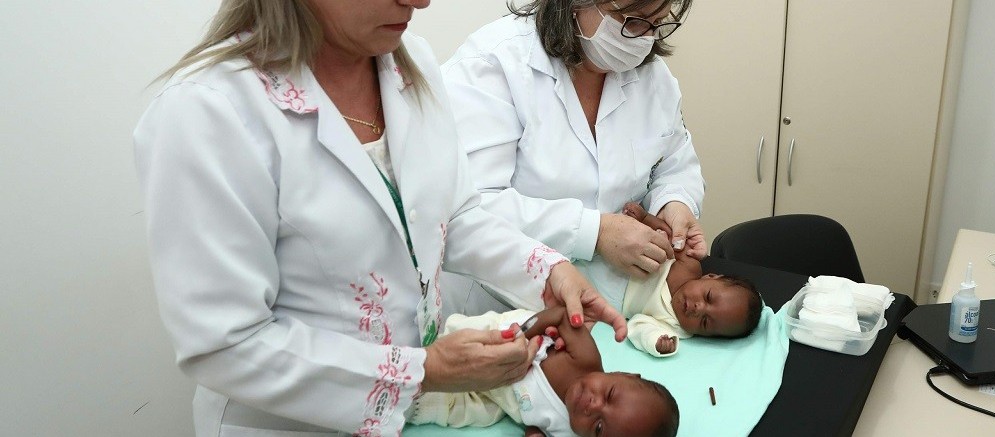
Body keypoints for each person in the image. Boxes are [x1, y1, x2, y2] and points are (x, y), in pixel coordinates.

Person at [133, 1, 628, 435]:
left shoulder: (410, 67)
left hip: (414, 415)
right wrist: (422, 370)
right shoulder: (207, 114)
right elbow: (224, 345)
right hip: (287, 424)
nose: (421, 1)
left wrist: (547, 270)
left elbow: (449, 218)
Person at [439, 0, 705, 314]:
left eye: (657, 23)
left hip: (610, 312)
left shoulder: (653, 77)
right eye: (631, 21)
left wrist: (674, 203)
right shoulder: (493, 64)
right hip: (499, 307)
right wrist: (596, 232)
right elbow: (469, 207)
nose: (645, 39)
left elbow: (674, 160)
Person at [408, 307, 679, 437]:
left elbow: (537, 428)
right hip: (510, 341)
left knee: (476, 414)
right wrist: (523, 335)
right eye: (609, 395)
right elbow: (561, 316)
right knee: (470, 338)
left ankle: (409, 403)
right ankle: (424, 349)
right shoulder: (585, 359)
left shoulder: (571, 433)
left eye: (598, 428)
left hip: (501, 398)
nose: (592, 405)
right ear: (627, 374)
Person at [622, 202, 763, 356]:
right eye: (708, 297)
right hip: (621, 253)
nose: (698, 308)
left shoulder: (677, 327)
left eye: (705, 322)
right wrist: (645, 218)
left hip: (604, 294)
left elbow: (638, 325)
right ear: (710, 277)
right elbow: (669, 235)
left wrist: (655, 340)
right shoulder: (688, 266)